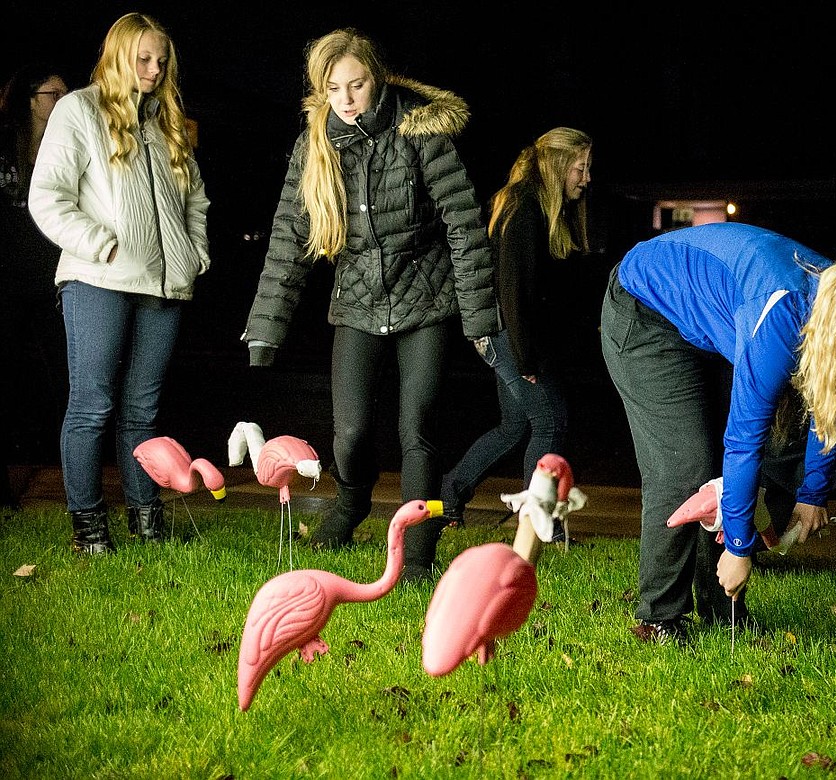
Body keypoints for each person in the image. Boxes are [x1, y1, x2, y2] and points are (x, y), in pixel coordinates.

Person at [241, 29, 497, 563]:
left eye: (356, 85)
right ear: (322, 90)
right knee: (351, 434)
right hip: (356, 302)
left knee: (417, 427)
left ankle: (419, 551)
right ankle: (352, 501)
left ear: (377, 79)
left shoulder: (419, 130)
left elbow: (465, 225)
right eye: (334, 88)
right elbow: (289, 236)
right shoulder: (316, 143)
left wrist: (479, 319)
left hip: (424, 298)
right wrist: (266, 327)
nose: (347, 98)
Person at [600, 222, 836, 643]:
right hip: (644, 309)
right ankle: (660, 618)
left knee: (728, 471)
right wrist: (739, 548)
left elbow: (831, 398)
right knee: (686, 466)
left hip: (701, 320)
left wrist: (812, 493)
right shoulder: (782, 314)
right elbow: (743, 442)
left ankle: (720, 611)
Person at [27, 13, 211, 554]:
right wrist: (102, 244)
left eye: (161, 60)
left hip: (164, 286)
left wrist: (193, 252)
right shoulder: (78, 109)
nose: (154, 69)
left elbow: (196, 201)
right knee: (92, 405)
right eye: (143, 58)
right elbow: (48, 198)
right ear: (117, 55)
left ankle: (146, 517)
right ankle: (89, 526)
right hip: (96, 279)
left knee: (143, 410)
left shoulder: (166, 121)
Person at [404, 127, 594, 576]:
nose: (586, 177)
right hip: (507, 336)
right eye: (580, 167)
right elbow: (512, 289)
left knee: (513, 425)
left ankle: (451, 495)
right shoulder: (525, 207)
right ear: (556, 163)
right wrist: (526, 360)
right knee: (550, 420)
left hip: (503, 334)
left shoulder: (533, 205)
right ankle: (535, 529)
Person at [0, 64, 70, 508]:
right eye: (53, 93)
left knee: (66, 373)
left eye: (67, 91)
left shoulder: (65, 143)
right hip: (8, 279)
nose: (63, 100)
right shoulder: (8, 143)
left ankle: (68, 467)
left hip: (52, 277)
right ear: (30, 99)